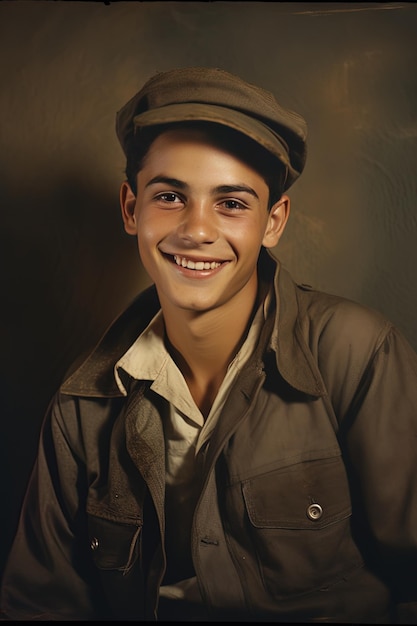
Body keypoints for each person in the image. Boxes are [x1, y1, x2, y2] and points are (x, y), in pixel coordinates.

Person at [1, 66, 417, 623]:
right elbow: (39, 605)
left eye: (232, 203)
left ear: (274, 222)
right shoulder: (82, 407)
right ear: (131, 209)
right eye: (170, 195)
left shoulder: (357, 353)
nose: (197, 230)